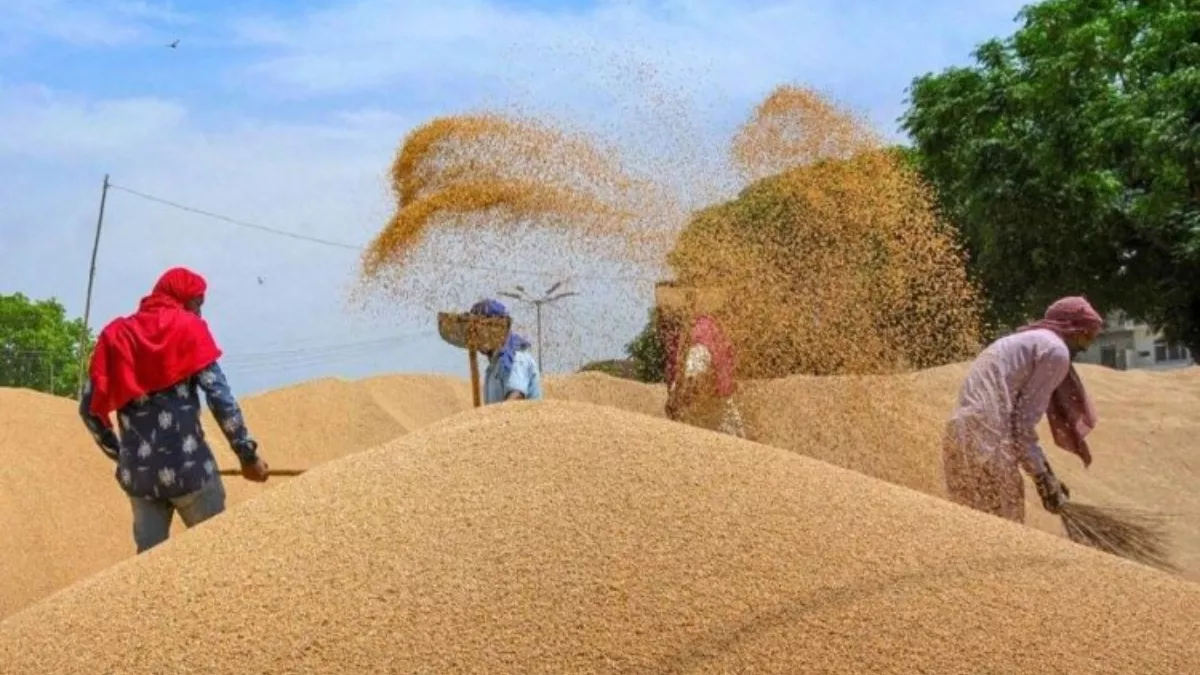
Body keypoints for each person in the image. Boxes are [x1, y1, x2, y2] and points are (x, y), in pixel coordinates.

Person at [78, 267, 270, 554]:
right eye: (197, 304)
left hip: (140, 481)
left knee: (148, 569)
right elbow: (221, 399)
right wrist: (247, 455)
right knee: (218, 556)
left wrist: (123, 456)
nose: (199, 313)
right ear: (181, 298)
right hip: (190, 470)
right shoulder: (189, 328)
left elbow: (88, 409)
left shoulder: (115, 336)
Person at [942, 296, 1103, 524]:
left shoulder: (1026, 342)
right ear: (1072, 328)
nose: (1085, 348)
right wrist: (1041, 477)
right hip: (988, 441)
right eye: (1086, 337)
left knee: (969, 526)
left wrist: (1047, 475)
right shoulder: (1056, 351)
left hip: (961, 434)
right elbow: (1022, 425)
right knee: (1006, 528)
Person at [657, 292, 748, 438]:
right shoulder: (705, 330)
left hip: (709, 406)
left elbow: (693, 375)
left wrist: (677, 399)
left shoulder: (703, 331)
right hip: (712, 404)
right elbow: (693, 374)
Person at [468, 299, 543, 404]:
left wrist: (494, 419)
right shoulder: (493, 367)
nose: (476, 337)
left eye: (480, 330)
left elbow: (515, 398)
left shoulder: (515, 359)